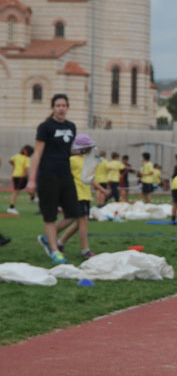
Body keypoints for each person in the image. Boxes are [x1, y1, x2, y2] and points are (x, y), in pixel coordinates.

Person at [26, 93, 79, 265]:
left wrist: (84, 150)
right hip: (48, 176)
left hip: (65, 175)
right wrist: (32, 180)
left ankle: (47, 238)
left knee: (74, 213)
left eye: (64, 105)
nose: (61, 108)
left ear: (67, 107)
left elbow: (68, 150)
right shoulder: (45, 127)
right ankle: (55, 251)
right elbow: (38, 154)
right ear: (53, 108)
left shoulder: (72, 126)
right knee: (50, 216)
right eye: (58, 105)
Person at [57, 134, 103, 259]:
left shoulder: (87, 160)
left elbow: (89, 178)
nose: (90, 150)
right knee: (82, 223)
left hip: (85, 195)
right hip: (76, 194)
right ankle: (85, 250)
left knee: (79, 224)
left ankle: (59, 242)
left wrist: (101, 188)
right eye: (87, 147)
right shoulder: (72, 160)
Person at [7, 145, 33, 214]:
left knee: (29, 187)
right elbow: (25, 169)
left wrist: (14, 165)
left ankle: (32, 198)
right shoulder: (26, 158)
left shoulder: (17, 156)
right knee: (16, 191)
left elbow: (10, 161)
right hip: (21, 177)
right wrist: (29, 177)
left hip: (16, 176)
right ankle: (11, 207)